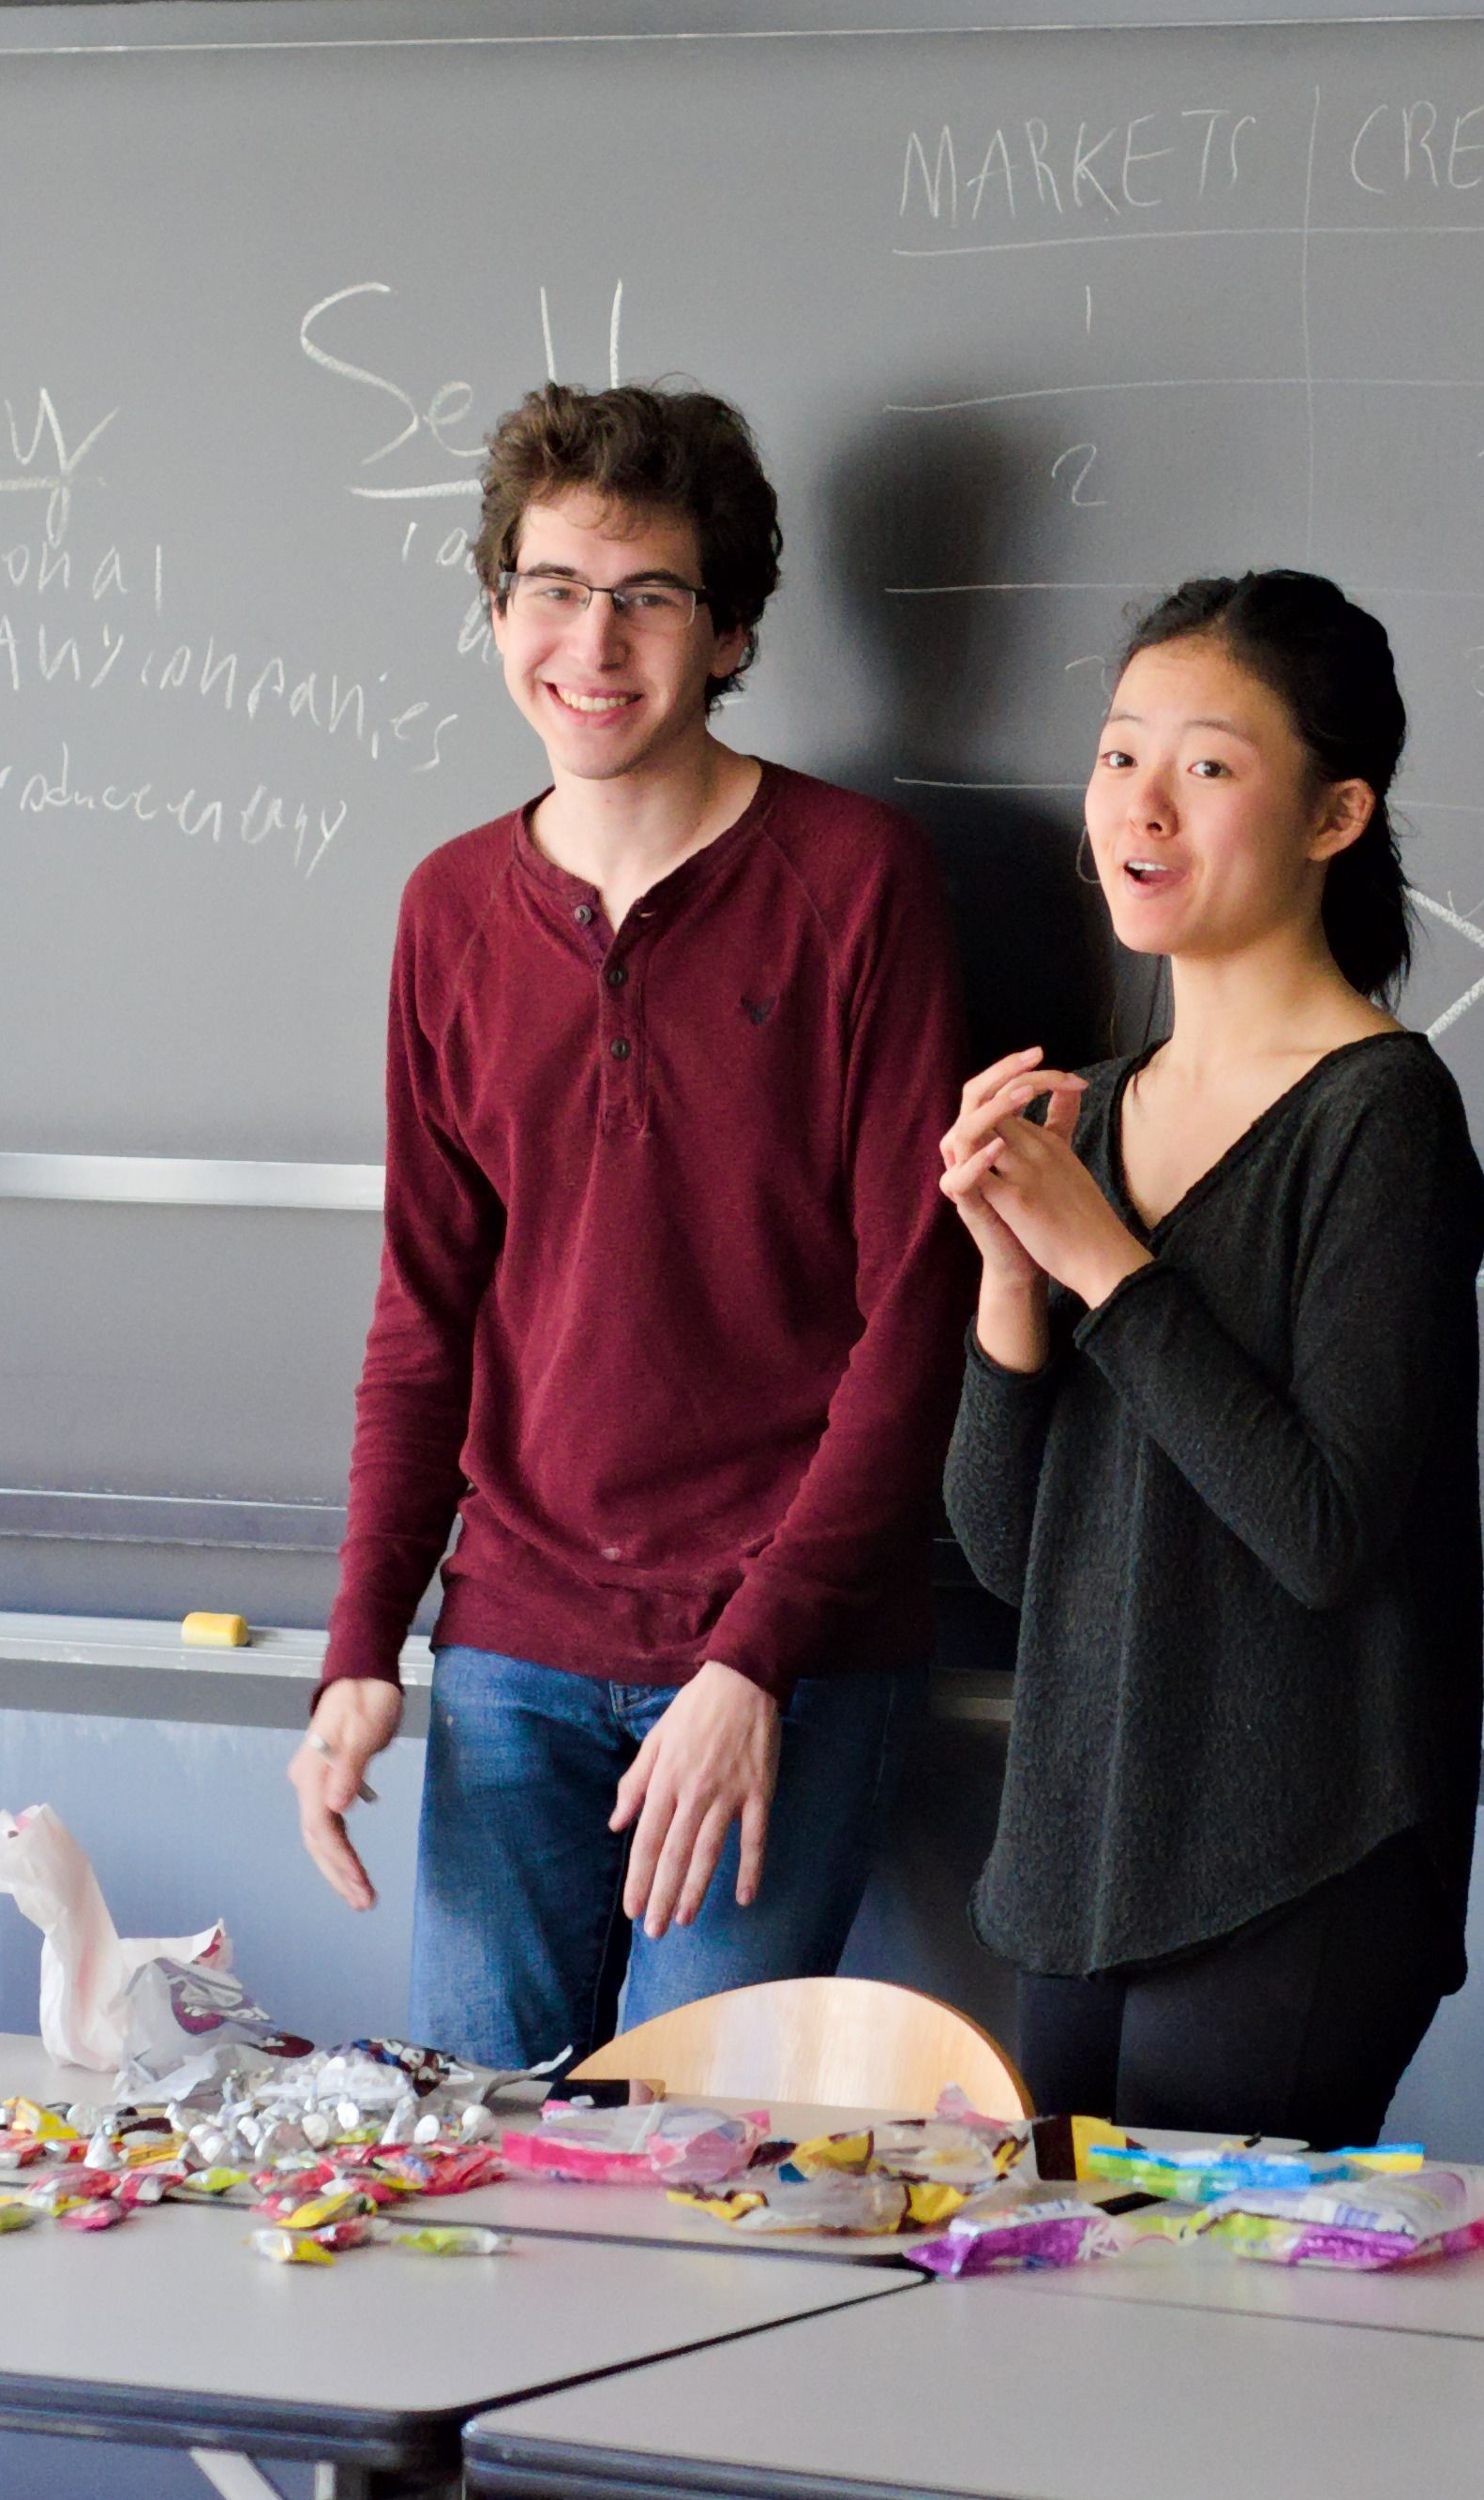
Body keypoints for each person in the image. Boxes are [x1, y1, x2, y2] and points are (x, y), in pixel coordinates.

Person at [291, 383, 971, 2070]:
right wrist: (361, 1645)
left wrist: (754, 1661)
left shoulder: (855, 884)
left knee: (689, 2188)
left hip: (780, 1661)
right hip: (515, 1648)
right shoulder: (451, 909)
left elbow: (920, 1314)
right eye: (551, 589)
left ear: (730, 631)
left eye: (650, 595)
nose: (592, 642)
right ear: (498, 609)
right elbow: (427, 1309)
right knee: (472, 2170)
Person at [938, 569, 1484, 2149]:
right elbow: (1002, 1554)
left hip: (1297, 1854)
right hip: (1082, 1844)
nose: (1143, 806)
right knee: (1072, 2338)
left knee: (1223, 2359)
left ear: (1335, 816)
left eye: (1209, 765)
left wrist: (1107, 1264)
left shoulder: (1381, 1112)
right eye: (1120, 756)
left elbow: (1322, 1532)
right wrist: (1006, 1279)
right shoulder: (1092, 1113)